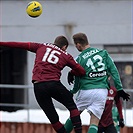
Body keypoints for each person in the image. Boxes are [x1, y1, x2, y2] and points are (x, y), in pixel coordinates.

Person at [0, 36, 86, 133]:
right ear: (64, 47)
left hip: (38, 86)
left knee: (53, 118)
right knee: (72, 107)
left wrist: (1, 43)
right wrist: (72, 73)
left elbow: (19, 45)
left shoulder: (41, 46)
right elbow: (82, 71)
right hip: (53, 84)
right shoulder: (66, 55)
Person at [64, 33, 130, 133]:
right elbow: (114, 71)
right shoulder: (103, 53)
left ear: (78, 45)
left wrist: (73, 90)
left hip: (86, 90)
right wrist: (119, 88)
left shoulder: (79, 58)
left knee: (74, 115)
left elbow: (77, 78)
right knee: (94, 121)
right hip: (101, 92)